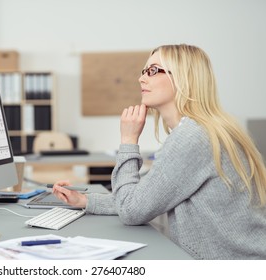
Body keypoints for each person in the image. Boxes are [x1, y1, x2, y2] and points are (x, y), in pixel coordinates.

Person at [52, 44, 266, 260]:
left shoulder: (192, 137)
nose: (142, 79)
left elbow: (131, 210)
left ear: (183, 78)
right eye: (143, 72)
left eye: (153, 71)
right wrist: (87, 202)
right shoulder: (202, 129)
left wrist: (128, 140)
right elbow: (145, 198)